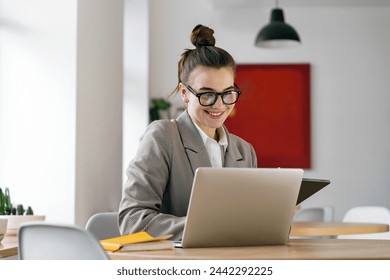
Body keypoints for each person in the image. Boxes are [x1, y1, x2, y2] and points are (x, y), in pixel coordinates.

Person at [118, 24, 257, 240]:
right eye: (206, 94)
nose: (219, 105)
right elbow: (132, 220)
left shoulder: (244, 151)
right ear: (185, 93)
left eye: (227, 93)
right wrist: (205, 228)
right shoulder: (163, 136)